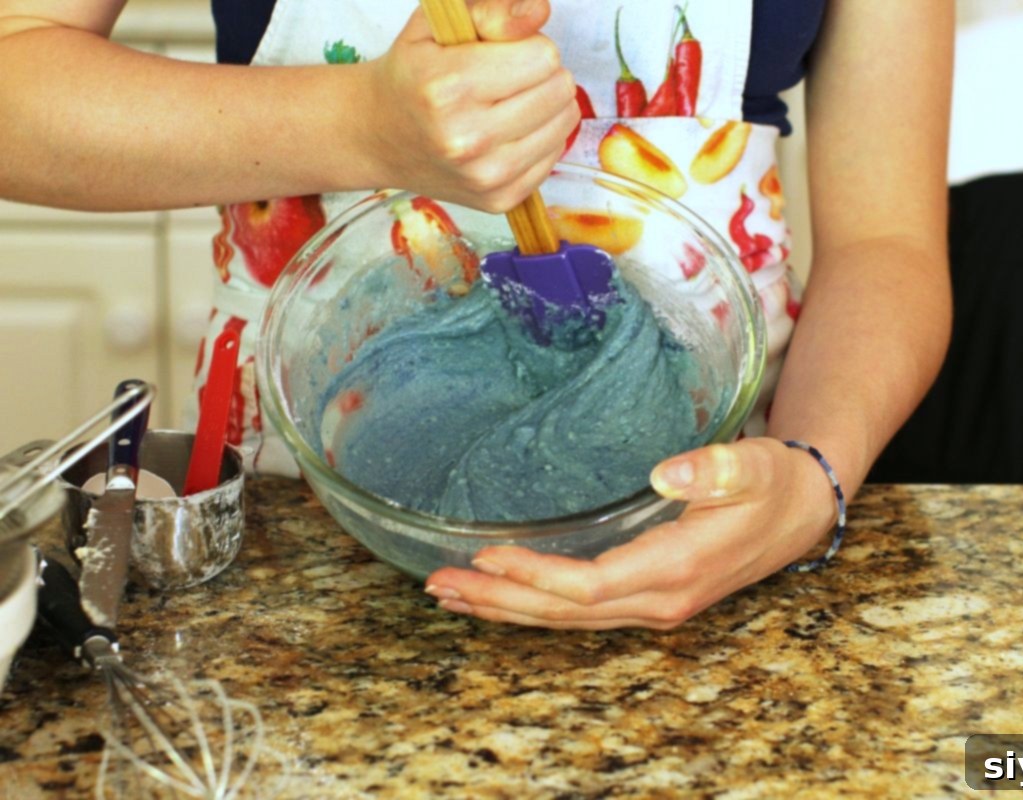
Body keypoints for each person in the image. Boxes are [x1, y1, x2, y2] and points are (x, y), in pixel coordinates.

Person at [0, 0, 953, 629]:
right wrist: (353, 125)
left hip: (705, 528)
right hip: (303, 529)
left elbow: (888, 244)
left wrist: (812, 477)